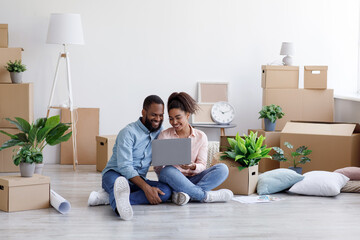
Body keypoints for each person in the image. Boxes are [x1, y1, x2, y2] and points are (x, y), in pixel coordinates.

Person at [155, 92, 233, 206]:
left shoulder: (201, 136)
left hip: (194, 178)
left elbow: (202, 164)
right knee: (167, 171)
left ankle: (185, 195)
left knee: (223, 169)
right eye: (171, 119)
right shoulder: (164, 135)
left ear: (187, 115)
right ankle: (206, 196)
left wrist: (192, 166)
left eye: (178, 118)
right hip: (174, 180)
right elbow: (159, 170)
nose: (174, 122)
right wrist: (164, 163)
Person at [102, 95, 172, 220]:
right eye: (153, 115)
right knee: (116, 184)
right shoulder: (128, 132)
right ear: (143, 112)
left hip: (138, 179)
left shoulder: (159, 131)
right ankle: (119, 206)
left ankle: (111, 198)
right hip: (115, 174)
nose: (158, 119)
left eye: (161, 115)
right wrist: (146, 188)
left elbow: (165, 156)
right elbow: (125, 167)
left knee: (165, 191)